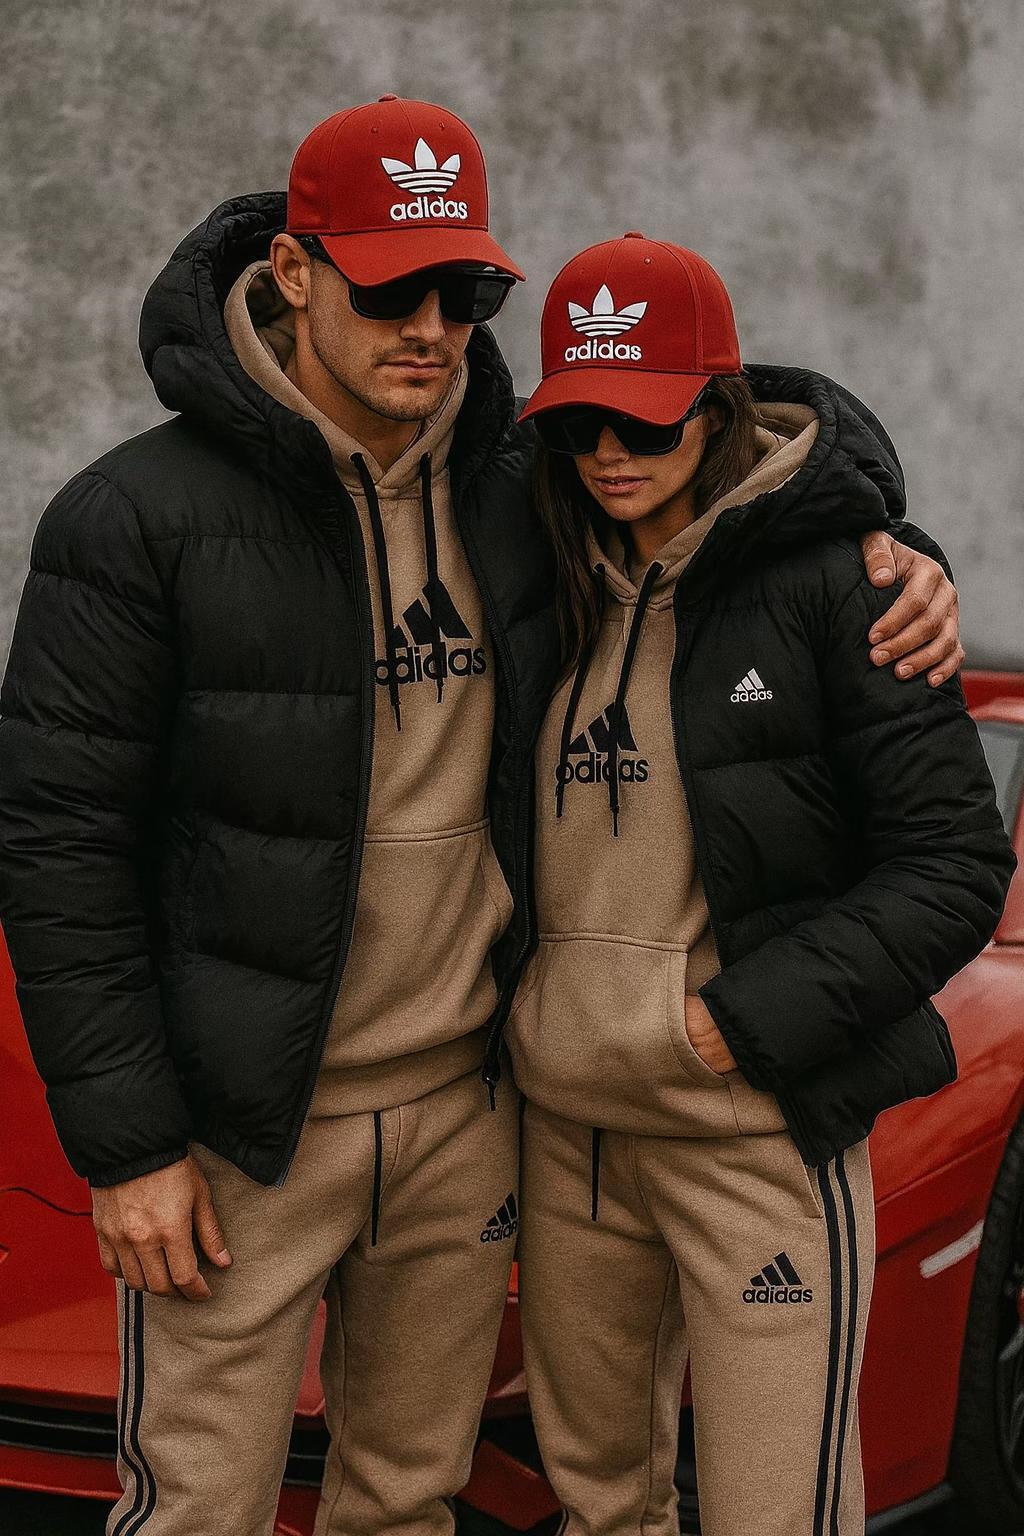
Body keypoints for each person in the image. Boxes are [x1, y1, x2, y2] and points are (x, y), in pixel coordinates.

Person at [0, 96, 962, 1535]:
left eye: (465, 293)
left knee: (407, 1502)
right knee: (196, 1509)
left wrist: (897, 543)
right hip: (245, 1132)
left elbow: (736, 473)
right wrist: (128, 1144)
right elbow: (57, 842)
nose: (432, 328)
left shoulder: (527, 483)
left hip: (471, 1111)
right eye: (392, 289)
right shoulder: (131, 519)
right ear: (293, 272)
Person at [505, 232, 1017, 1536]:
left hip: (754, 1134)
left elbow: (956, 864)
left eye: (646, 418)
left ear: (718, 407)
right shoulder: (544, 581)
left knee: (776, 1513)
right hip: (569, 1142)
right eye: (577, 424)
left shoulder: (849, 590)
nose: (609, 452)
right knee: (597, 1507)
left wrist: (733, 1026)